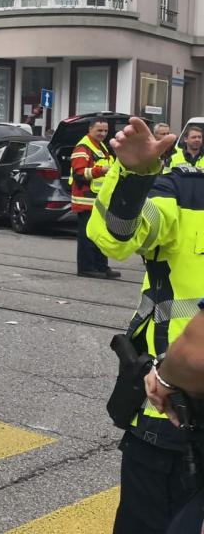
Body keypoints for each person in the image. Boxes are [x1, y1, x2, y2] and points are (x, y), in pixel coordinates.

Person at [88, 117, 201, 533]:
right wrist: (135, 177)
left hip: (174, 396)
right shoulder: (185, 189)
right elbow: (118, 238)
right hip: (171, 421)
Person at [71, 117, 119, 279]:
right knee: (88, 236)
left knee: (100, 235)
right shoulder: (83, 147)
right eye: (99, 130)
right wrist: (102, 170)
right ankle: (86, 267)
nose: (103, 133)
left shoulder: (101, 146)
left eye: (105, 130)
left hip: (99, 202)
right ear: (90, 129)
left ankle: (101, 266)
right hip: (86, 201)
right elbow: (79, 173)